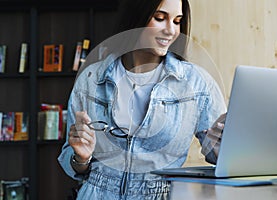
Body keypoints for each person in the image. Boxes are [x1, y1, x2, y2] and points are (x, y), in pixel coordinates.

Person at [58, 0, 227, 199]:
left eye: (177, 21)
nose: (170, 30)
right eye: (160, 18)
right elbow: (71, 159)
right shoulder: (92, 79)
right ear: (136, 17)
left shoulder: (197, 83)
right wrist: (81, 157)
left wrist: (222, 151)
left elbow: (222, 159)